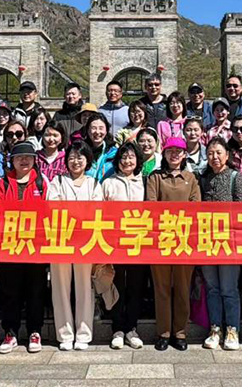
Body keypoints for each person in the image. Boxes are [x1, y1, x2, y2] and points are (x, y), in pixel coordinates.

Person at [0, 142, 49, 354]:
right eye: (19, 157)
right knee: (10, 292)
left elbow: (51, 210)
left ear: (35, 160)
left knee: (36, 291)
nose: (24, 161)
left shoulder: (43, 182)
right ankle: (11, 332)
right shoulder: (3, 182)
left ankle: (35, 331)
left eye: (28, 157)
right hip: (9, 246)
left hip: (36, 247)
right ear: (12, 161)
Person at [146, 137, 201, 351]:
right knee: (161, 288)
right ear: (164, 154)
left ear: (185, 154)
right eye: (170, 151)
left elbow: (196, 206)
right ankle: (163, 332)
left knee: (182, 288)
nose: (174, 154)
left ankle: (180, 332)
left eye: (179, 151)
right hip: (160, 240)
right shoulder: (155, 177)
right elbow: (151, 205)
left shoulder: (191, 178)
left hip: (184, 241)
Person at [48, 141, 103, 350]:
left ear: (87, 160)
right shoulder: (57, 181)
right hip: (60, 240)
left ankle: (84, 334)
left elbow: (97, 211)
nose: (76, 161)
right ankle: (64, 334)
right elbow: (52, 207)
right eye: (71, 157)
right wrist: (79, 212)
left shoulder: (94, 184)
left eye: (80, 157)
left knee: (85, 287)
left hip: (86, 241)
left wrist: (73, 212)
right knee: (60, 288)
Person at [200, 137, 242, 351]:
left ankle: (232, 329)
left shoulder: (236, 177)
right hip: (206, 240)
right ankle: (215, 328)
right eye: (210, 153)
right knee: (212, 288)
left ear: (227, 155)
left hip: (229, 242)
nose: (215, 157)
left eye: (219, 152)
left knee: (229, 288)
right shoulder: (203, 178)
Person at [102, 142, 146, 350]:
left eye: (131, 157)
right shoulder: (108, 183)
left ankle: (131, 328)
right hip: (115, 243)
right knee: (117, 285)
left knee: (136, 287)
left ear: (138, 160)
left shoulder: (144, 182)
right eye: (123, 157)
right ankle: (117, 328)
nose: (127, 161)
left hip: (139, 243)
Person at [83, 113, 117, 182]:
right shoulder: (82, 152)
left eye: (101, 128)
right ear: (88, 130)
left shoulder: (114, 153)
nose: (97, 132)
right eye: (93, 128)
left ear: (106, 130)